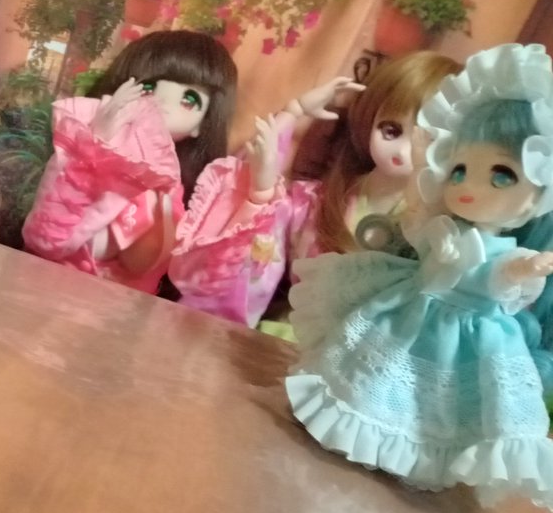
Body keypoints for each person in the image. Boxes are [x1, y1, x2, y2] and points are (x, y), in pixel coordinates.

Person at [286, 43, 553, 507]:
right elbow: (420, 233)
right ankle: (358, 432)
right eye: (460, 169)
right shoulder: (440, 224)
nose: (468, 187)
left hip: (461, 336)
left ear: (536, 197)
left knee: (430, 406)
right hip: (407, 312)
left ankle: (409, 455)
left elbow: (500, 276)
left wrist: (525, 268)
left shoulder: (498, 251)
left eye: (502, 175)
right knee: (372, 377)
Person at [21, 29, 359, 295]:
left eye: (189, 99)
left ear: (202, 124)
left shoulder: (176, 193)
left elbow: (243, 173)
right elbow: (46, 239)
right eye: (148, 87)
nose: (162, 104)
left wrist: (295, 112)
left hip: (121, 318)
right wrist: (97, 145)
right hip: (51, 294)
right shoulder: (84, 157)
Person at [169, 51, 462, 329]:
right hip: (288, 335)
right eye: (391, 130)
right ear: (371, 118)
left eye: (427, 140)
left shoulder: (435, 228)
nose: (401, 150)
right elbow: (255, 260)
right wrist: (292, 115)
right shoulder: (311, 202)